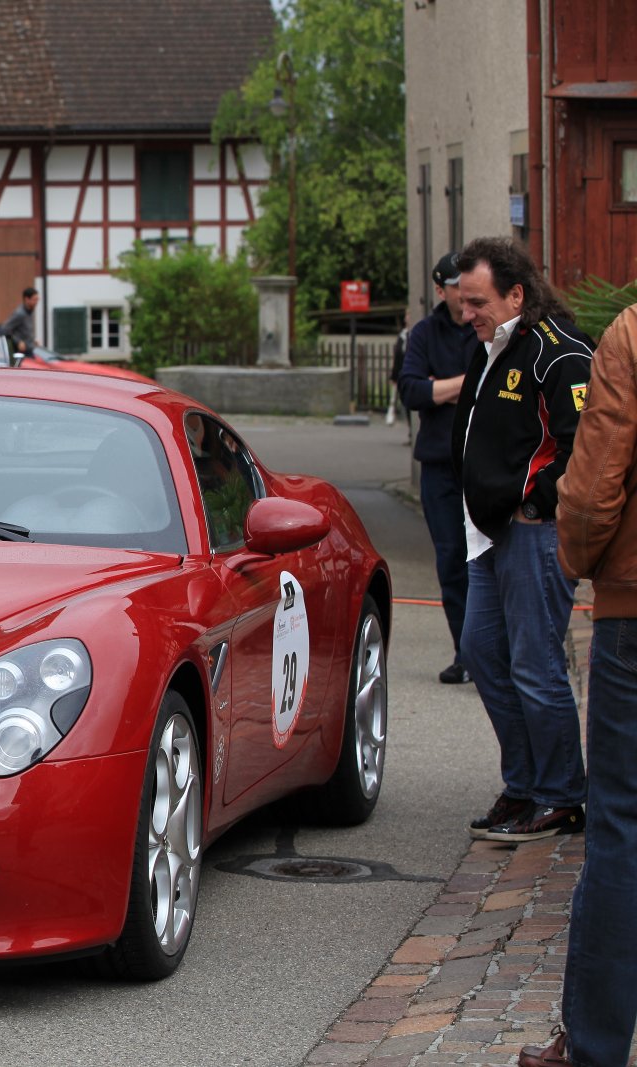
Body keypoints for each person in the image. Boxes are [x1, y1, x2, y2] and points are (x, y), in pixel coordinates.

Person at [522, 302, 637, 1067]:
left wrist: (579, 561)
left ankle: (595, 1047)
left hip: (635, 607)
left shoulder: (632, 334)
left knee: (622, 825)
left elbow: (592, 492)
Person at [451, 236, 592, 844]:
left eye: (477, 302)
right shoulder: (493, 345)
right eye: (462, 302)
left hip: (532, 534)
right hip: (488, 532)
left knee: (535, 665)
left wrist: (538, 504)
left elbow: (586, 446)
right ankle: (526, 785)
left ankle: (560, 797)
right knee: (483, 653)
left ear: (516, 294)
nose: (466, 314)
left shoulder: (558, 353)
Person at [399, 252, 480, 685]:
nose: (464, 296)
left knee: (486, 558)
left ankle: (492, 654)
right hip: (439, 463)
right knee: (451, 559)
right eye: (455, 288)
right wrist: (466, 383)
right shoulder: (425, 333)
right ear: (440, 290)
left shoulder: (488, 326)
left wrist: (441, 388)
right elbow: (412, 391)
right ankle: (465, 655)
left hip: (483, 463)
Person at [1, 287, 40, 356]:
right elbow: (5, 328)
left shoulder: (30, 311)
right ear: (27, 299)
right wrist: (18, 342)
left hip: (30, 349)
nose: (36, 302)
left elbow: (25, 330)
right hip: (21, 352)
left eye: (37, 300)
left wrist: (33, 339)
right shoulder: (19, 314)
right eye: (34, 300)